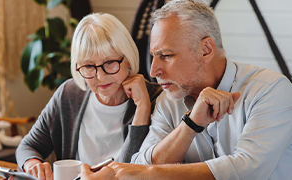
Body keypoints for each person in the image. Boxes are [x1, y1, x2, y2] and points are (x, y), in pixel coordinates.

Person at [105, 0, 292, 180]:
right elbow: (141, 166)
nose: (154, 71)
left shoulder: (271, 90)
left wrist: (147, 173)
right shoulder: (168, 101)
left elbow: (247, 173)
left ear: (206, 50)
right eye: (154, 56)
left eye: (166, 55)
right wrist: (190, 125)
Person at [15, 13, 162, 180]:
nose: (100, 76)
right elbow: (28, 146)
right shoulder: (70, 94)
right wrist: (32, 164)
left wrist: (143, 108)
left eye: (109, 63)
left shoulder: (157, 99)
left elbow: (133, 170)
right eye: (89, 66)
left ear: (128, 58)